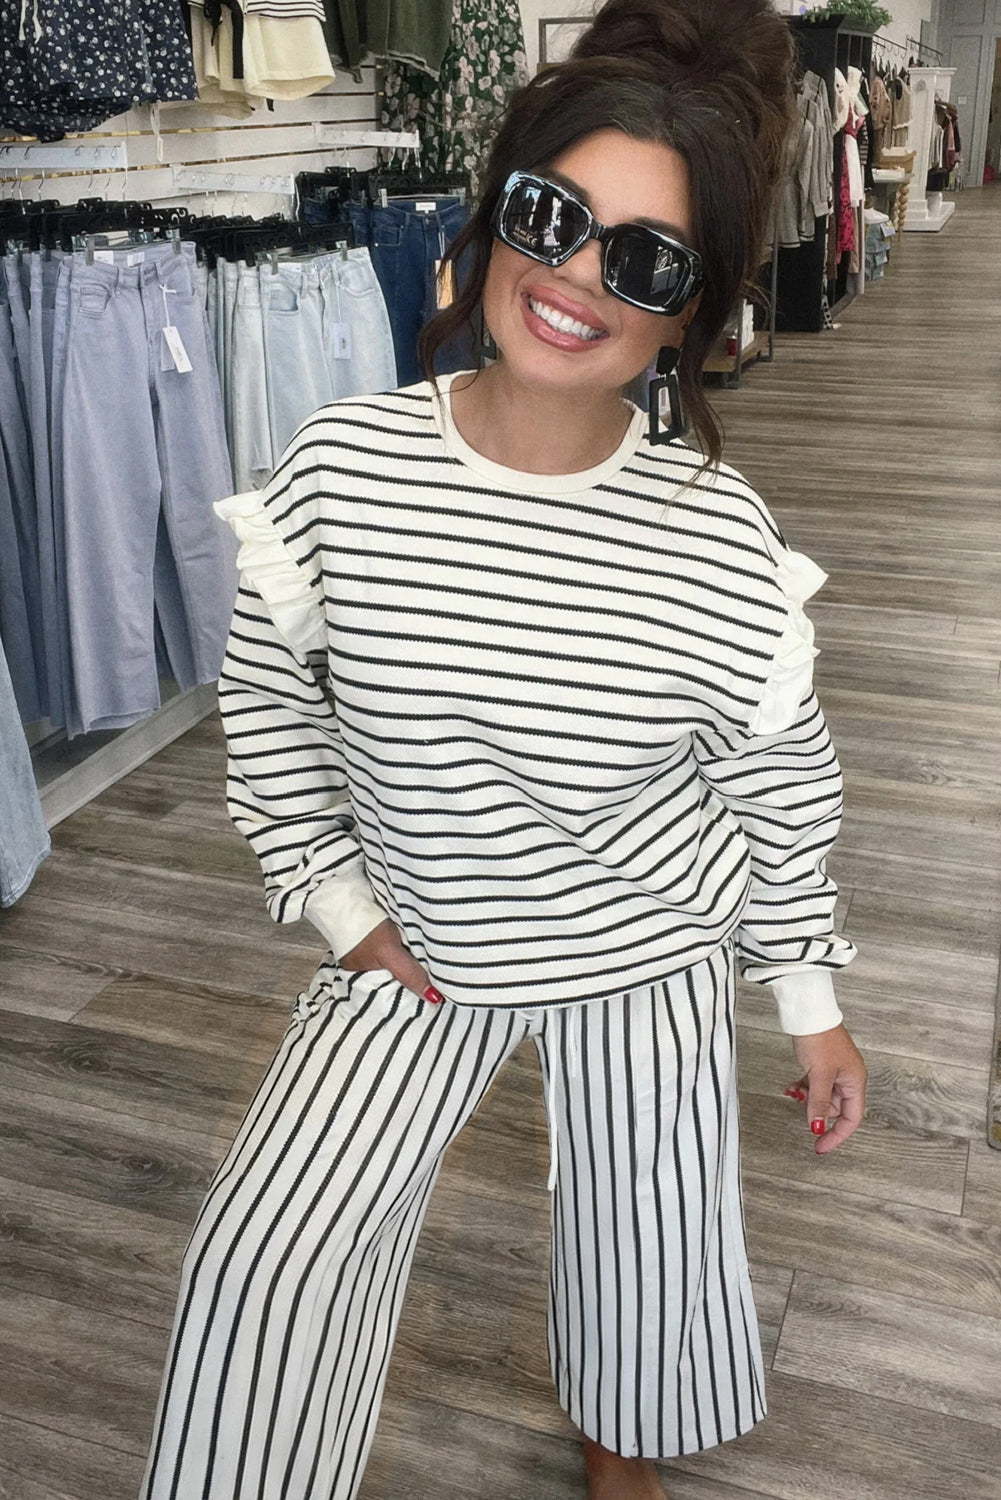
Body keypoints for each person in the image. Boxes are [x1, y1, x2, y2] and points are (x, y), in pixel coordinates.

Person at [138, 2, 868, 1496]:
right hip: (425, 942)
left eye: (646, 262)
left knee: (650, 1238)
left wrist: (807, 1000)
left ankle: (623, 1442)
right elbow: (270, 712)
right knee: (264, 1250)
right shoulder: (340, 472)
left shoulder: (714, 540)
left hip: (646, 940)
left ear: (688, 317)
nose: (581, 274)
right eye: (553, 216)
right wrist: (340, 907)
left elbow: (779, 784)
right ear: (491, 221)